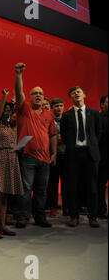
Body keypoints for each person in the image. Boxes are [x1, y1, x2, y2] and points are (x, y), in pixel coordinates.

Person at [13, 63, 57, 228]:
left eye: (41, 93)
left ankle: (40, 217)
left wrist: (54, 154)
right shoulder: (24, 109)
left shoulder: (49, 114)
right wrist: (19, 75)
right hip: (28, 157)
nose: (38, 95)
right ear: (29, 97)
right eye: (35, 93)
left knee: (41, 190)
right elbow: (18, 92)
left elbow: (53, 134)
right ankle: (23, 217)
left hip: (45, 159)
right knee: (26, 188)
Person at [0, 88, 23, 238]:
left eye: (9, 110)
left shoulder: (8, 126)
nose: (7, 112)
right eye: (4, 109)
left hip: (10, 158)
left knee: (6, 194)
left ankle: (2, 225)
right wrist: (5, 97)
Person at [60, 86, 101, 228]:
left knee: (92, 187)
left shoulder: (95, 113)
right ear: (70, 98)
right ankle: (74, 216)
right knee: (73, 186)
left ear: (84, 95)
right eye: (73, 93)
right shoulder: (66, 116)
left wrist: (92, 146)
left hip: (90, 154)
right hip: (73, 154)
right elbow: (64, 136)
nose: (76, 94)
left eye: (78, 92)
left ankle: (93, 216)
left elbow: (98, 134)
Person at [46, 98, 67, 217]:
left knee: (67, 182)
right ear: (52, 108)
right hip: (53, 155)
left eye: (61, 106)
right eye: (56, 106)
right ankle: (52, 207)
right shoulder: (49, 120)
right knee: (52, 183)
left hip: (66, 155)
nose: (59, 108)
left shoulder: (68, 119)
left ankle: (67, 207)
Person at [97, 95, 108, 219]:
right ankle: (101, 210)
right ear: (102, 104)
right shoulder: (98, 118)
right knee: (100, 186)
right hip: (102, 158)